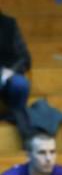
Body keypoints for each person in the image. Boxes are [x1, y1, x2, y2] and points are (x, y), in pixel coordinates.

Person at [0, 10, 32, 141]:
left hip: (8, 72)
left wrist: (11, 71)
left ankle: (26, 134)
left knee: (21, 85)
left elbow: (25, 58)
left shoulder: (9, 24)